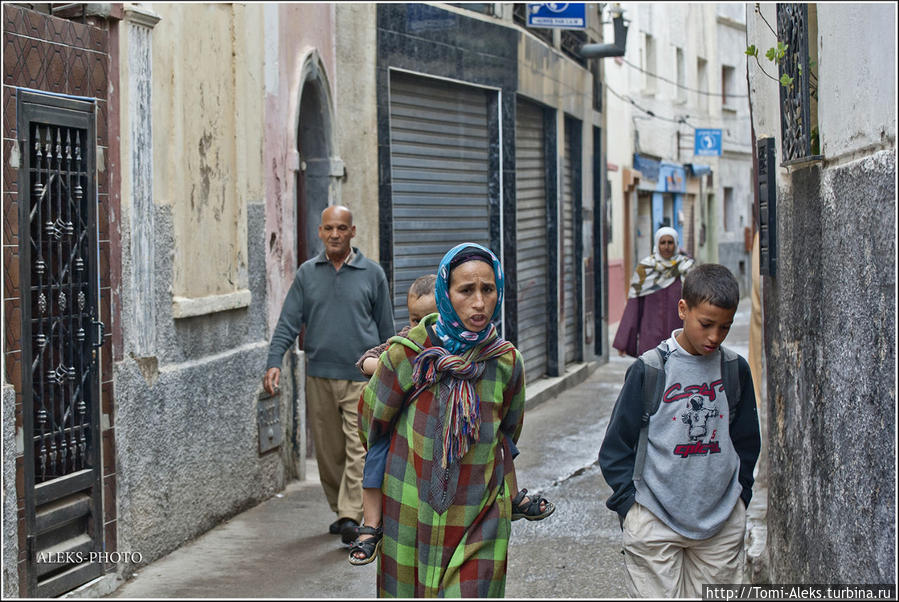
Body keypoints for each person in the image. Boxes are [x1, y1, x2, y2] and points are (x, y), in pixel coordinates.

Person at [357, 242, 536, 596]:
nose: (480, 302)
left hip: (479, 512)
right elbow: (372, 419)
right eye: (466, 290)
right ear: (445, 293)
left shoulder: (505, 362)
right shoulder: (407, 354)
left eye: (488, 289)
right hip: (410, 508)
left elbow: (508, 429)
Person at [599, 263, 761, 598]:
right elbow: (615, 448)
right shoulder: (650, 370)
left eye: (725, 327)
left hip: (720, 525)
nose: (715, 336)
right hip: (654, 520)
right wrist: (632, 507)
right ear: (683, 309)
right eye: (706, 324)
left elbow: (747, 441)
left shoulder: (734, 370)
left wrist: (740, 498)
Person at [263, 205, 394, 545]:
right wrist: (274, 360)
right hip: (319, 375)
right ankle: (342, 510)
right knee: (328, 450)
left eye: (341, 228)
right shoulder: (308, 274)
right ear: (320, 233)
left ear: (352, 232)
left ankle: (352, 514)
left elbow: (386, 330)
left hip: (361, 377)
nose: (334, 234)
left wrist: (392, 372)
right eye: (328, 229)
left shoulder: (372, 274)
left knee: (357, 446)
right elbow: (289, 321)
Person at [613, 226, 694, 357]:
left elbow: (695, 304)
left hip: (680, 337)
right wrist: (624, 343)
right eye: (663, 242)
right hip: (650, 337)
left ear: (676, 244)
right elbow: (633, 308)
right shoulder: (645, 269)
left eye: (670, 242)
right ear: (657, 244)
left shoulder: (686, 268)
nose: (666, 246)